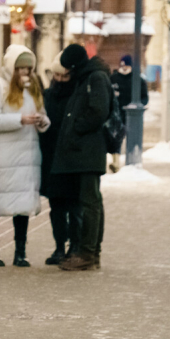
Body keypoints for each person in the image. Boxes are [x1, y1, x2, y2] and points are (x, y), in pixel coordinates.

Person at [0, 44, 49, 267]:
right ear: (11, 68)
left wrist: (41, 121)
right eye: (20, 69)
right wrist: (19, 120)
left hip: (27, 156)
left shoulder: (33, 88)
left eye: (28, 69)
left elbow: (44, 116)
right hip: (3, 156)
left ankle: (20, 252)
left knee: (23, 205)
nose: (25, 73)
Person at [53, 44, 113, 271]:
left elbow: (98, 111)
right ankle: (90, 252)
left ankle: (88, 252)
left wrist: (77, 126)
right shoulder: (88, 76)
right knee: (91, 201)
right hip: (85, 150)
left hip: (89, 149)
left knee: (90, 202)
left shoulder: (94, 78)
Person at [40, 60, 81, 265]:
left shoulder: (77, 96)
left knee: (73, 205)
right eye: (57, 76)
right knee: (56, 206)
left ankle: (74, 246)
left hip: (71, 158)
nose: (60, 80)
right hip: (51, 157)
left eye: (65, 77)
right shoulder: (48, 96)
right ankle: (58, 246)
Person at [109, 54, 149, 170]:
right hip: (116, 113)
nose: (124, 68)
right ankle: (116, 161)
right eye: (122, 65)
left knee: (131, 136)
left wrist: (139, 105)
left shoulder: (138, 79)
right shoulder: (114, 78)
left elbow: (145, 97)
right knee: (116, 137)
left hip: (132, 115)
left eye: (126, 65)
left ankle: (130, 159)